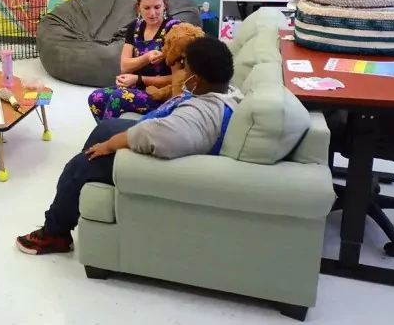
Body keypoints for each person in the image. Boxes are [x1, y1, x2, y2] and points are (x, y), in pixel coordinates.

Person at [17, 37, 241, 255]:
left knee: (78, 167)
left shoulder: (200, 116)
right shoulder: (226, 92)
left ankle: (55, 234)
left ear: (196, 80)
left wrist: (111, 145)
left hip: (158, 162)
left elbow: (158, 136)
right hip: (159, 127)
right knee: (106, 128)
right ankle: (75, 196)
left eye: (186, 68)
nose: (182, 72)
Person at [87, 0, 178, 122]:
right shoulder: (135, 27)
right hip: (138, 88)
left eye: (157, 7)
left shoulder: (174, 30)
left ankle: (111, 135)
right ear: (138, 7)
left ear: (165, 5)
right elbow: (125, 66)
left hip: (163, 93)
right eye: (146, 8)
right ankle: (109, 132)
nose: (152, 13)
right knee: (95, 97)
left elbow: (178, 77)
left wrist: (139, 79)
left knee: (119, 97)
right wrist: (146, 58)